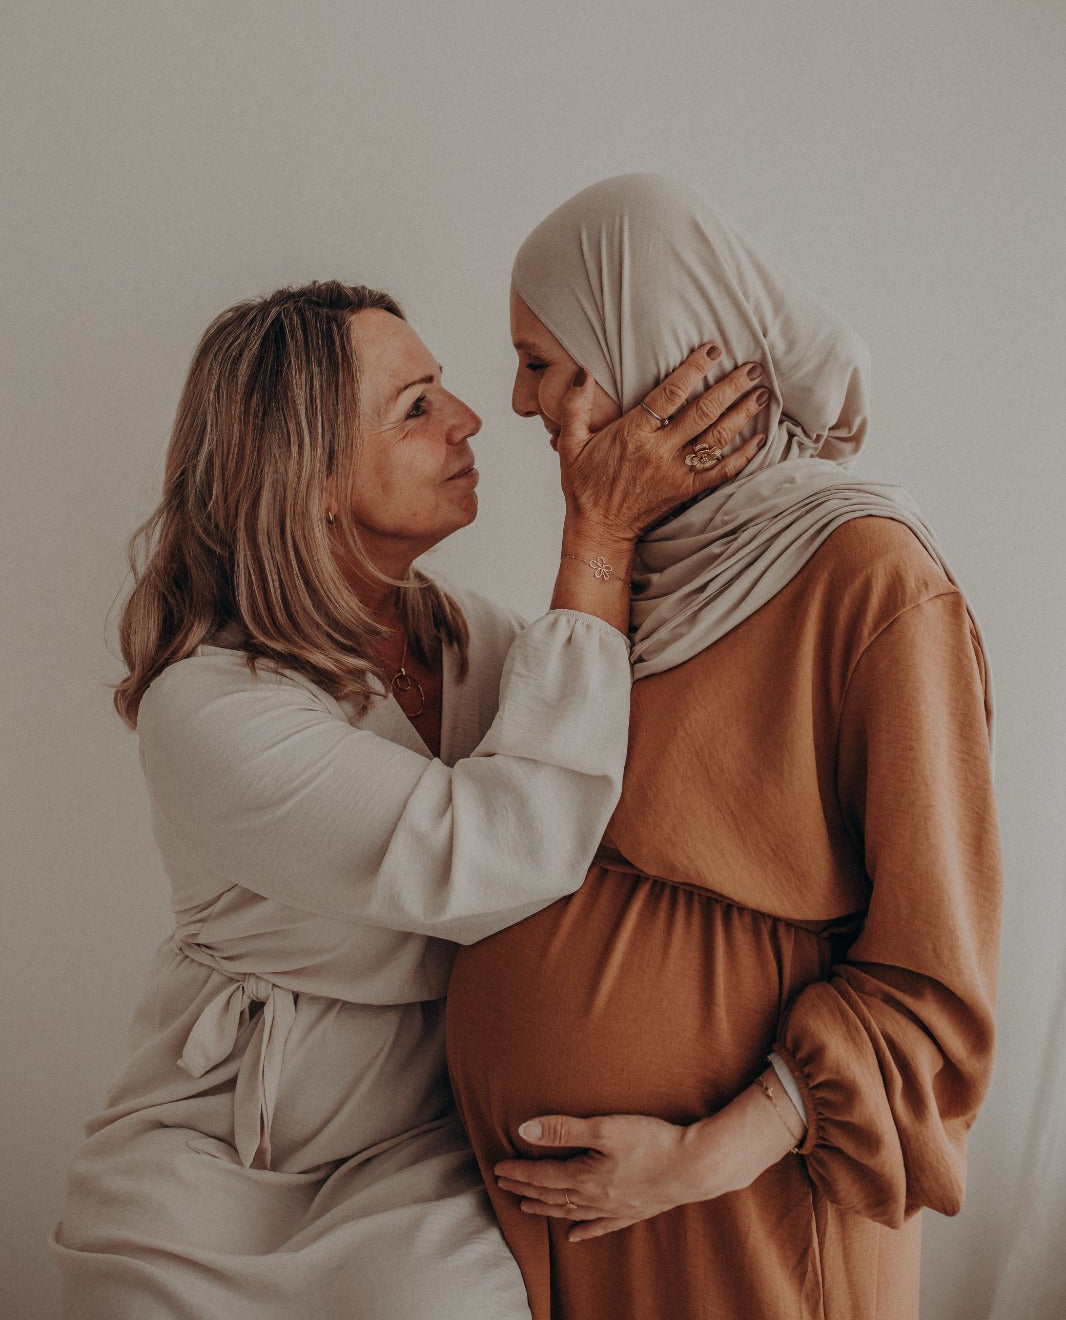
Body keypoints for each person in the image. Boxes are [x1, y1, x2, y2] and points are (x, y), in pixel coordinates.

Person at [52, 278, 765, 1319]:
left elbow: (625, 748)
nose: (470, 418)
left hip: (424, 1151)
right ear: (315, 483)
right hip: (219, 1166)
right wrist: (596, 534)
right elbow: (498, 850)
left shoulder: (475, 641)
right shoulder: (205, 709)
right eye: (416, 405)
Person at [445, 175, 1001, 1320]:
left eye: (542, 360)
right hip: (599, 1223)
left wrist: (696, 1158)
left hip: (746, 1212)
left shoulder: (873, 581)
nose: (512, 400)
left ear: (646, 347)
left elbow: (938, 978)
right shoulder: (638, 580)